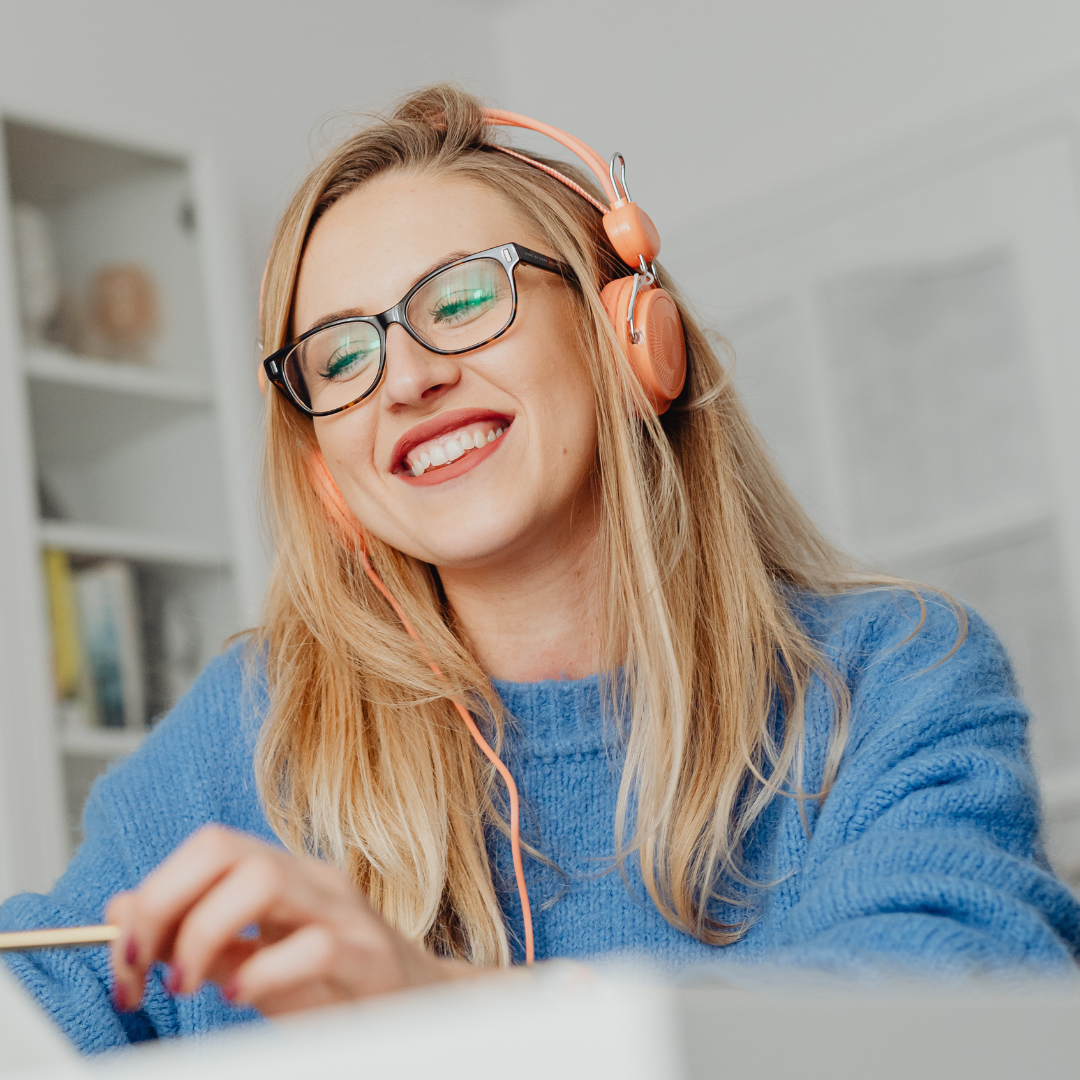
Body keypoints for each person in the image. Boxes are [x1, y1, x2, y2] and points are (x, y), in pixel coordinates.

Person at [2, 85, 1078, 1054]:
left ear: (629, 335)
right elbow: (40, 994)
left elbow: (951, 1019)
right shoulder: (248, 736)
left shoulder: (896, 681)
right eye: (340, 357)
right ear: (328, 471)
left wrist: (442, 1010)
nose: (406, 379)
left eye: (464, 299)